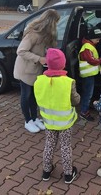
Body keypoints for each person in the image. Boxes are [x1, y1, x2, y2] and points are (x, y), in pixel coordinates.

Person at [34, 48, 80, 184]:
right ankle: (68, 174)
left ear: (48, 64)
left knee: (49, 144)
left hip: (49, 121)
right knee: (65, 146)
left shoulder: (39, 81)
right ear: (63, 64)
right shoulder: (68, 82)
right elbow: (75, 100)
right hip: (65, 122)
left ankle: (46, 172)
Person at [13, 9, 60, 133]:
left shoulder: (46, 34)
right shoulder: (33, 34)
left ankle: (34, 118)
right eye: (56, 23)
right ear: (50, 22)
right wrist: (39, 59)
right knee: (26, 95)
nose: (57, 26)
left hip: (34, 70)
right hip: (25, 69)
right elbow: (21, 51)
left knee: (34, 95)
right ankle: (28, 121)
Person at [78, 27, 101, 121]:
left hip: (90, 74)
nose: (98, 41)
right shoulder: (87, 47)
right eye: (97, 39)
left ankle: (86, 106)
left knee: (88, 92)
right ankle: (83, 111)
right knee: (87, 94)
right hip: (87, 75)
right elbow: (91, 60)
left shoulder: (89, 45)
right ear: (92, 38)